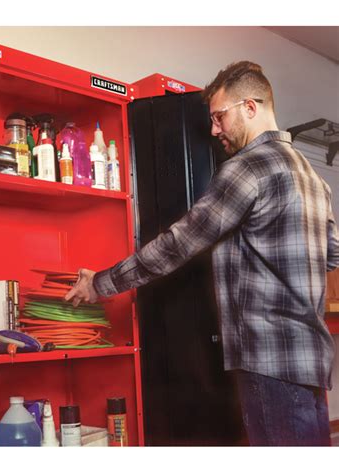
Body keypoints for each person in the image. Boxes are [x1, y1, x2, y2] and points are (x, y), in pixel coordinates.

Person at [65, 61, 339, 446]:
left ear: (250, 107)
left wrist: (101, 283)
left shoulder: (248, 169)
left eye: (219, 117)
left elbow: (179, 243)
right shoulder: (314, 179)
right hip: (309, 360)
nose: (214, 130)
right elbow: (330, 257)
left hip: (269, 362)